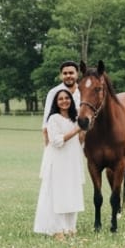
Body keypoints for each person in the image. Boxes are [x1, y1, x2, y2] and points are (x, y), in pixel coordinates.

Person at [34, 89, 85, 236]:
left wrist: (83, 131)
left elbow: (80, 141)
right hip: (58, 161)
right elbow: (56, 141)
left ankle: (70, 227)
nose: (64, 101)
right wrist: (76, 130)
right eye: (60, 99)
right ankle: (57, 229)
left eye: (67, 98)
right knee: (58, 194)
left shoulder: (75, 119)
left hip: (73, 160)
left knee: (72, 192)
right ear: (56, 103)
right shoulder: (53, 119)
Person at [42, 61, 80, 146]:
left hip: (79, 141)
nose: (68, 76)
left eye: (71, 73)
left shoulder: (84, 92)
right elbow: (46, 123)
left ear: (77, 74)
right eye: (65, 73)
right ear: (61, 75)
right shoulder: (53, 93)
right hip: (60, 140)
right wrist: (47, 148)